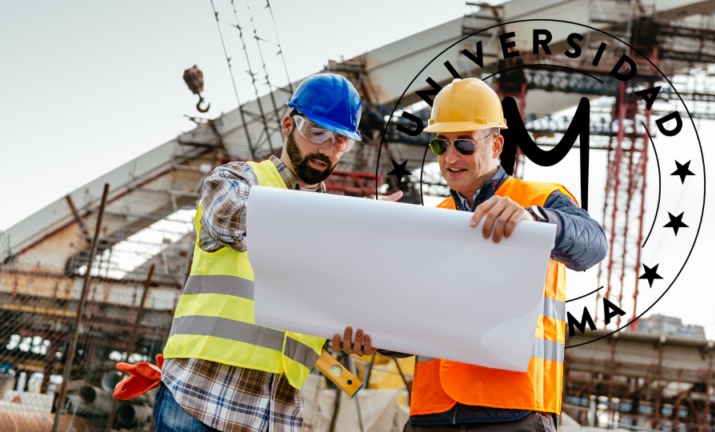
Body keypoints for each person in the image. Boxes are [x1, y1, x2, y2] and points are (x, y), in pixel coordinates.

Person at [333, 77, 608, 431]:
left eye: (463, 144)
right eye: (440, 145)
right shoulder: (431, 219)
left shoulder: (537, 201)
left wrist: (537, 222)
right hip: (431, 414)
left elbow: (594, 245)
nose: (450, 158)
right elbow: (414, 327)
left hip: (514, 411)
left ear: (496, 145)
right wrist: (373, 339)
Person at [155, 73, 398, 432]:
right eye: (317, 133)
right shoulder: (237, 180)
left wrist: (358, 333)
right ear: (288, 125)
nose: (327, 149)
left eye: (340, 141)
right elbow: (231, 218)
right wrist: (352, 225)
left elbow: (335, 312)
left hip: (277, 414)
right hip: (201, 400)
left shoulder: (337, 230)